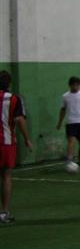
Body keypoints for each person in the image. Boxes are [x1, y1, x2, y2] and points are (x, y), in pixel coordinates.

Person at [0, 70, 33, 224]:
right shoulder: (14, 99)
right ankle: (3, 212)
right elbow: (19, 119)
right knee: (6, 176)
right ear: (9, 83)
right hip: (6, 143)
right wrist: (27, 139)